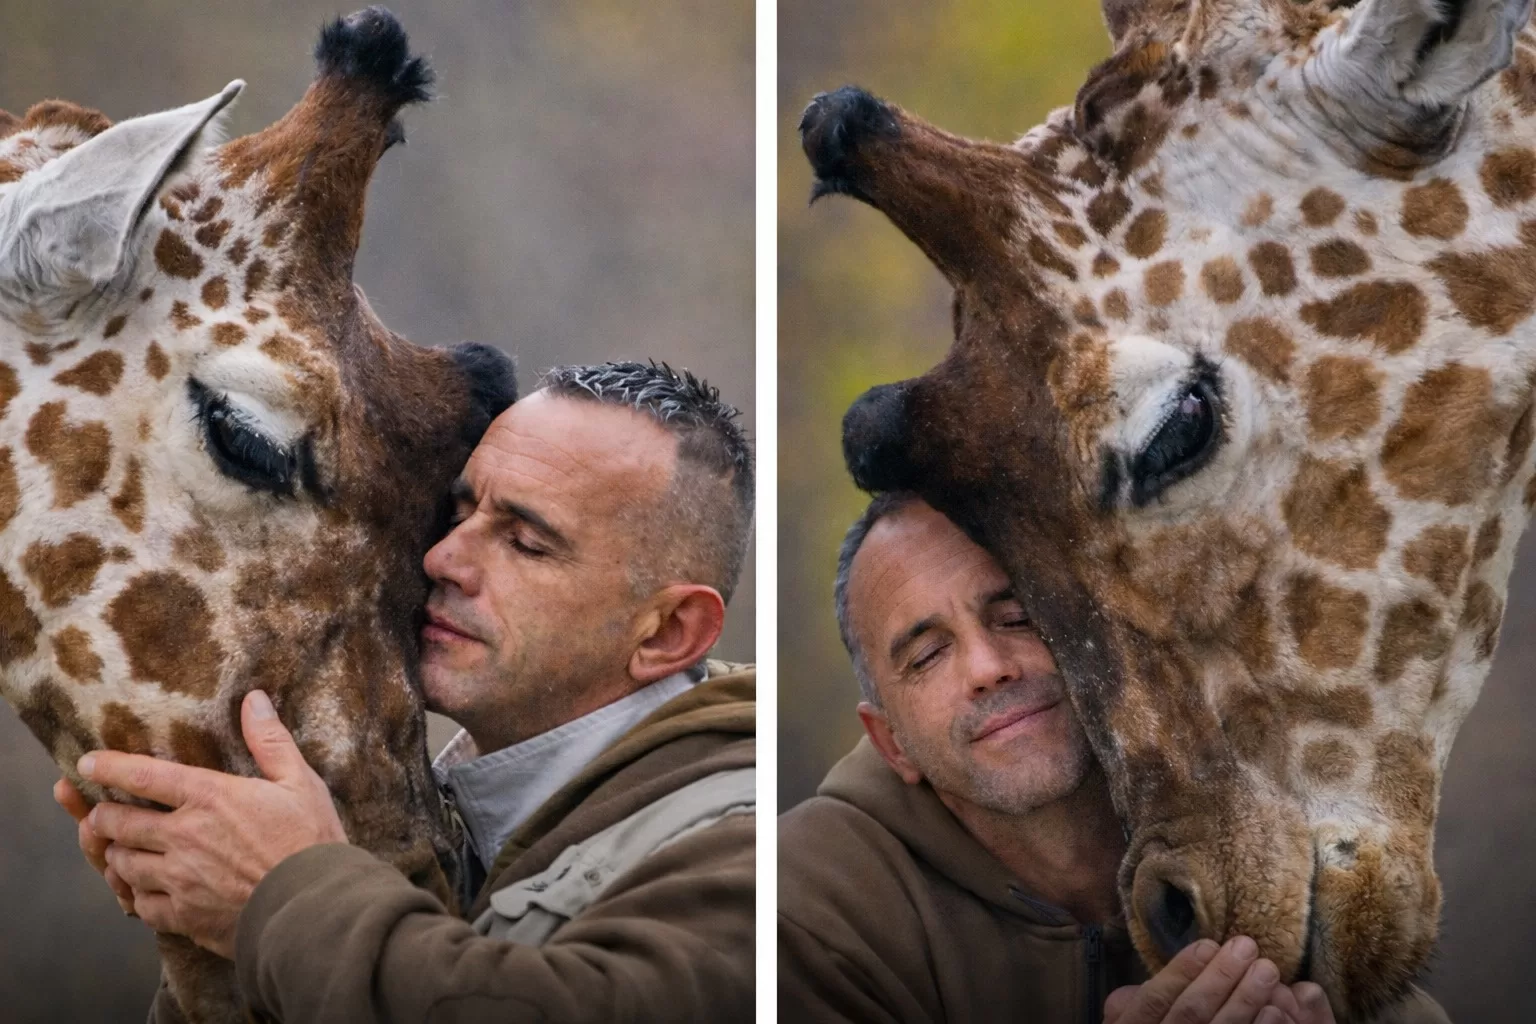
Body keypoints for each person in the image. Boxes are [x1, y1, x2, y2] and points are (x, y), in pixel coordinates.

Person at [57, 361, 757, 1022]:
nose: (442, 558)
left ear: (668, 632)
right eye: (460, 514)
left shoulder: (748, 855)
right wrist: (207, 939)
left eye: (526, 543)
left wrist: (283, 896)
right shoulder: (421, 811)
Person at [778, 493, 1447, 1024]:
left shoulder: (1257, 834)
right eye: (927, 656)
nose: (987, 667)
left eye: (1016, 616)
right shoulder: (805, 910)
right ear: (891, 741)